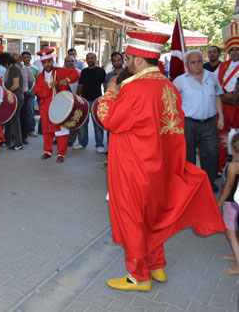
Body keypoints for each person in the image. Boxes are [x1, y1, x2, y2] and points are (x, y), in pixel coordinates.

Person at [98, 30, 224, 291]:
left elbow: (108, 119)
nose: (127, 61)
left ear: (140, 60)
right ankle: (157, 266)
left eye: (129, 57)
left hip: (134, 166)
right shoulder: (168, 87)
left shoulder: (133, 88)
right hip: (159, 167)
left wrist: (110, 92)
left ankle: (138, 276)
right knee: (153, 218)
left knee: (133, 219)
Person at [173, 50, 224, 191]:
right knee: (188, 154)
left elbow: (217, 97)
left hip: (209, 122)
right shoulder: (180, 80)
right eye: (193, 62)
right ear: (187, 65)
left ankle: (209, 182)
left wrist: (221, 117)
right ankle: (188, 183)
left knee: (212, 153)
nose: (197, 65)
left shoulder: (211, 77)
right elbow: (171, 101)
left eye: (199, 61)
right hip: (188, 123)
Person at [34, 48, 80, 162]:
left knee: (61, 131)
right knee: (47, 131)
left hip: (61, 108)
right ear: (42, 64)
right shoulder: (40, 77)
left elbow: (76, 73)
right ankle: (48, 151)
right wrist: (49, 86)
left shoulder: (61, 71)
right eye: (45, 62)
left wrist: (67, 79)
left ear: (52, 61)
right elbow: (38, 91)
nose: (47, 64)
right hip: (46, 109)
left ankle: (61, 154)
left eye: (49, 62)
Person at [215, 21, 239, 175]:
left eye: (238, 49)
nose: (235, 53)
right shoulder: (223, 66)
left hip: (237, 107)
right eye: (232, 50)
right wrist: (225, 96)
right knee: (221, 139)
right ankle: (219, 168)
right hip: (224, 106)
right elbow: (217, 85)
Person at [74, 52, 105, 152]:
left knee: (97, 124)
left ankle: (99, 145)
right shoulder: (83, 72)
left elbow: (105, 85)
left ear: (95, 59)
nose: (90, 60)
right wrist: (77, 99)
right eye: (88, 58)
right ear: (86, 60)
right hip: (84, 101)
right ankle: (82, 143)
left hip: (97, 101)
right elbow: (80, 86)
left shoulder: (101, 71)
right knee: (82, 123)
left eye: (92, 58)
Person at [217, 133, 239, 274]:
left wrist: (219, 202)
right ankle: (236, 255)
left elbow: (228, 186)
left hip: (232, 204)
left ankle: (238, 265)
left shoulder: (233, 166)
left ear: (231, 147)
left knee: (230, 234)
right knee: (236, 232)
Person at [1, 52, 24, 150]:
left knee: (14, 120)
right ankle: (8, 140)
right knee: (9, 120)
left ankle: (18, 143)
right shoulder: (11, 68)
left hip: (16, 97)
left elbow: (16, 85)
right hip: (14, 97)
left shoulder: (14, 69)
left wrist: (6, 93)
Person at [63, 55, 83, 147]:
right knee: (63, 120)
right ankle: (62, 138)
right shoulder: (61, 73)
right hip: (64, 100)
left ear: (75, 62)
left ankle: (71, 140)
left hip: (77, 99)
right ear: (65, 63)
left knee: (74, 119)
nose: (70, 63)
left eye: (72, 61)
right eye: (68, 61)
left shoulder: (80, 72)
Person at [21, 51, 38, 138]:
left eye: (28, 57)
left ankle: (31, 129)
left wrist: (34, 90)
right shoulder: (20, 67)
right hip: (22, 94)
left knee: (30, 112)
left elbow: (38, 81)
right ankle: (23, 130)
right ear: (22, 59)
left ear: (31, 58)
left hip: (31, 93)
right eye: (24, 57)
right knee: (22, 112)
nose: (26, 59)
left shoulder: (34, 68)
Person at [18, 54, 34, 145]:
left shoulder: (28, 70)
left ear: (21, 60)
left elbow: (31, 81)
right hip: (13, 96)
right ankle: (13, 136)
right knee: (14, 117)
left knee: (24, 117)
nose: (16, 61)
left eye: (17, 59)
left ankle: (24, 136)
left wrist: (25, 90)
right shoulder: (10, 69)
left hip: (23, 95)